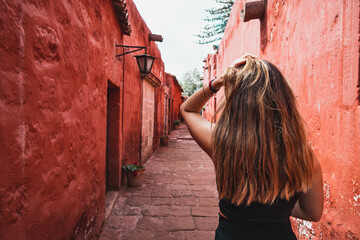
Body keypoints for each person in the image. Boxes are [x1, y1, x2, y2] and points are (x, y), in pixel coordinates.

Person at [180, 54, 324, 240]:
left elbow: (188, 109)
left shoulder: (220, 142)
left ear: (237, 101)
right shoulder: (302, 155)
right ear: (283, 99)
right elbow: (312, 213)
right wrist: (277, 209)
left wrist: (219, 81)